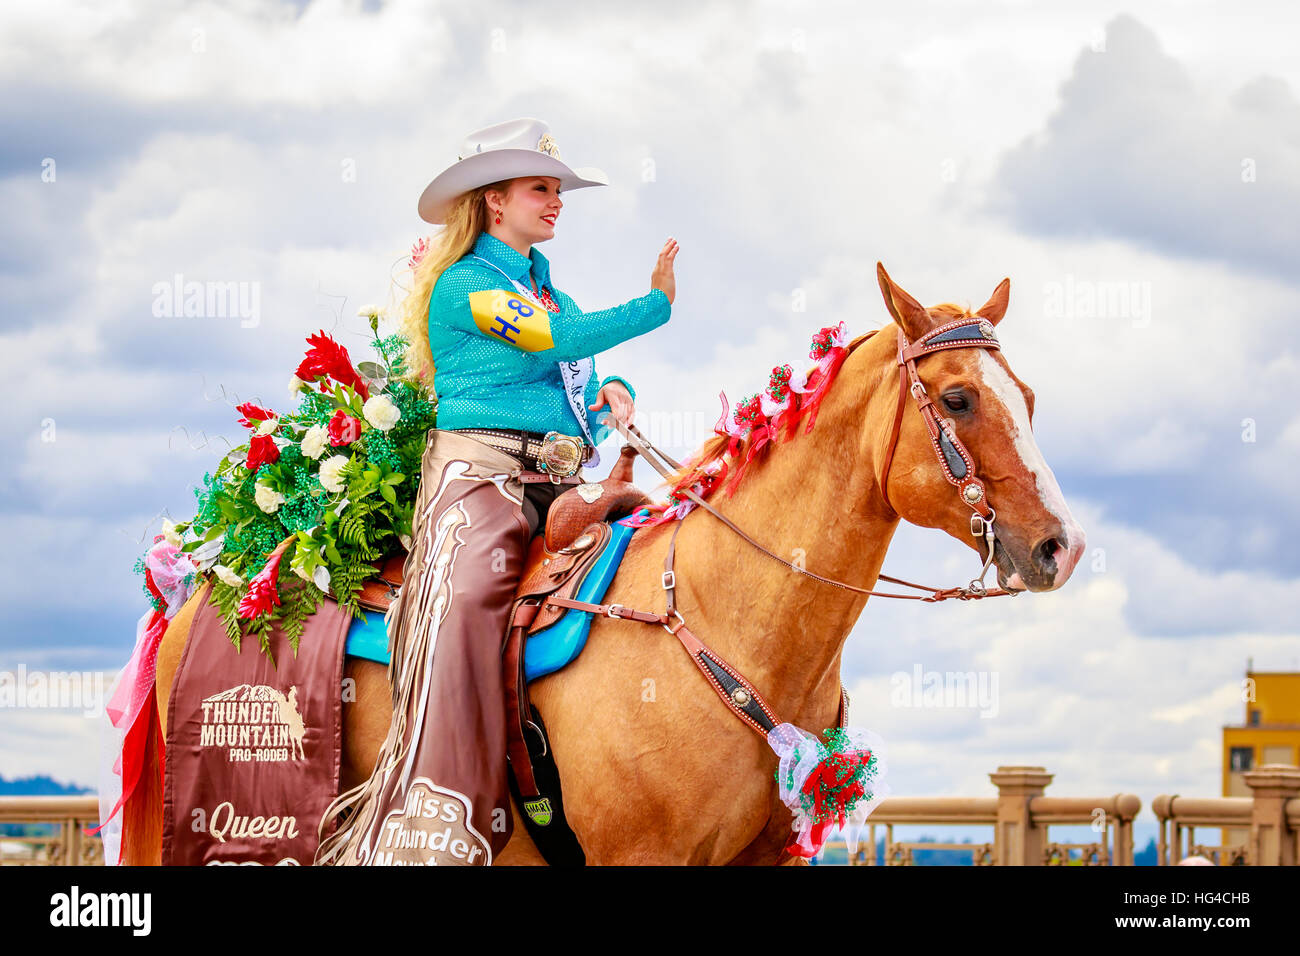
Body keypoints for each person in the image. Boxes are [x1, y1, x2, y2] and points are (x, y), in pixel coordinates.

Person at [315, 117, 678, 866]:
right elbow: (552, 341)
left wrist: (617, 386)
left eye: (557, 190)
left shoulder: (544, 287)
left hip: (559, 478)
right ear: (493, 201)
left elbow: (576, 362)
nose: (556, 202)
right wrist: (655, 306)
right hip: (479, 485)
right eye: (541, 189)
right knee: (468, 600)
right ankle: (434, 818)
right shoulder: (467, 286)